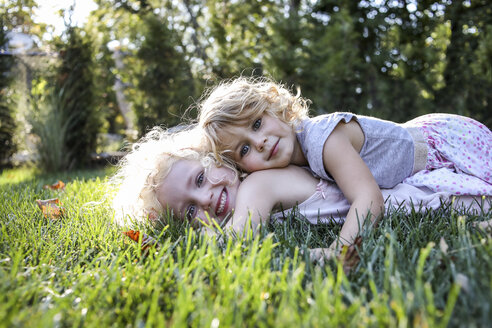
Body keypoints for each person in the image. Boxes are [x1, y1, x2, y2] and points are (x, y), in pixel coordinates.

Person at [197, 77, 492, 248]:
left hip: (438, 146)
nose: (259, 141)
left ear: (275, 107)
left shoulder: (324, 140)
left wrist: (342, 248)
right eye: (244, 148)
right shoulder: (292, 164)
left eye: (257, 123)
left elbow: (368, 198)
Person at [112, 127, 491, 258]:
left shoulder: (258, 185)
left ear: (218, 160)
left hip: (404, 198)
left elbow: (237, 240)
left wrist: (207, 238)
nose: (206, 199)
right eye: (191, 213)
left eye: (199, 180)